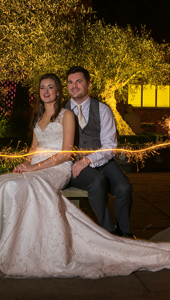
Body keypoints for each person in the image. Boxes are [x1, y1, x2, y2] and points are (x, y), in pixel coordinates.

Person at [0, 73, 170, 279]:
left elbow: (99, 147)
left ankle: (120, 234)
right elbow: (33, 148)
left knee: (122, 187)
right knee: (5, 182)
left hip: (86, 160)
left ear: (84, 85)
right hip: (58, 164)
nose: (48, 91)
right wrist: (26, 163)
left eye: (53, 87)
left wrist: (78, 161)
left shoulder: (89, 111)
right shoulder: (43, 114)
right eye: (44, 87)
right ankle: (1, 245)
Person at [64, 66, 134, 238]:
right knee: (97, 182)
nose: (74, 86)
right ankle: (109, 233)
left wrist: (88, 160)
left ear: (89, 84)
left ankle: (124, 233)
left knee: (124, 187)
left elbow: (109, 145)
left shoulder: (103, 109)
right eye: (70, 82)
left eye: (78, 81)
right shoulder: (60, 111)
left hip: (102, 161)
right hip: (73, 163)